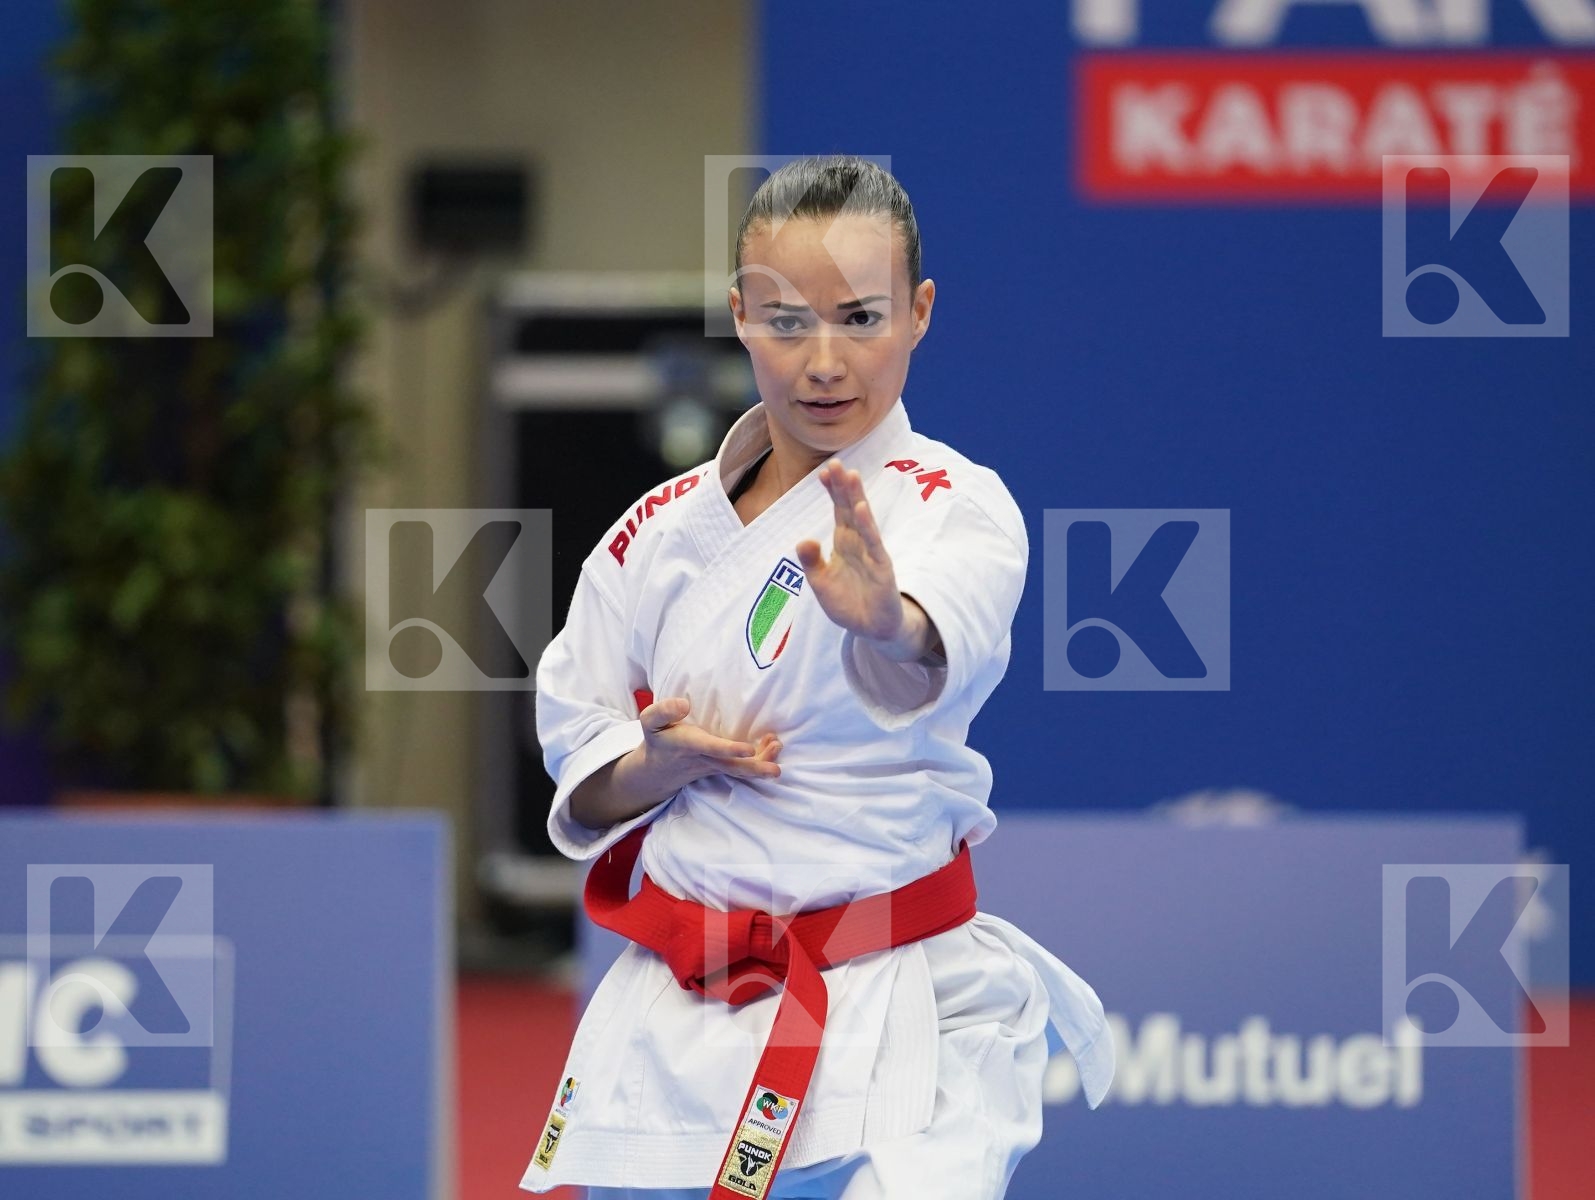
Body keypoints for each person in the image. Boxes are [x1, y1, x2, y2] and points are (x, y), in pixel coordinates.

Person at [520, 156, 1113, 1200]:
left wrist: (885, 621)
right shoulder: (654, 535)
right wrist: (651, 768)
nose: (825, 362)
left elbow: (933, 645)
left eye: (860, 318)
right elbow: (580, 738)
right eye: (788, 323)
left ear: (918, 313)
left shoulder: (955, 504)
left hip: (907, 995)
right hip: (684, 1011)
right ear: (741, 316)